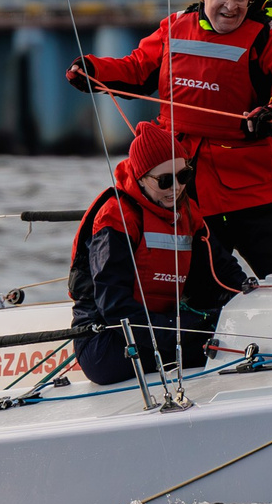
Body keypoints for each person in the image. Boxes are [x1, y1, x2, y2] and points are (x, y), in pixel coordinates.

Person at [67, 0, 272, 283]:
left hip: (251, 192)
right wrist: (92, 69)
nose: (230, 6)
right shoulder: (174, 27)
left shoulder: (269, 36)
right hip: (181, 193)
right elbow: (136, 69)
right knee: (194, 298)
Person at [67, 122, 237, 385]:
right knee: (214, 346)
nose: (176, 188)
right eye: (165, 181)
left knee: (233, 337)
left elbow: (222, 274)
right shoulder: (117, 218)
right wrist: (177, 332)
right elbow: (113, 305)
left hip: (167, 327)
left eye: (183, 176)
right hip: (108, 340)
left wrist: (253, 302)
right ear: (141, 178)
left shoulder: (188, 213)